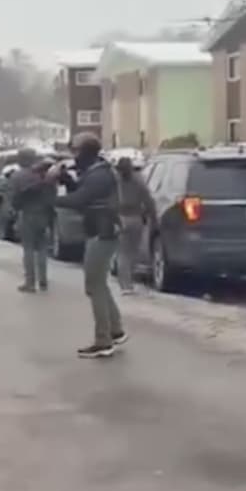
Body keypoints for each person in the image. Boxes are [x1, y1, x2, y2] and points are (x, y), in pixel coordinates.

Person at [52, 133, 126, 358]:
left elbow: (79, 200)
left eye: (75, 151)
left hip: (102, 232)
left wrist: (49, 199)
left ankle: (103, 341)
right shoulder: (97, 171)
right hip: (100, 230)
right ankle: (115, 330)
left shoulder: (100, 175)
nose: (73, 156)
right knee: (99, 283)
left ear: (85, 152)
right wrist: (67, 181)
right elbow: (82, 194)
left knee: (93, 284)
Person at [9, 149, 56, 293]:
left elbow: (14, 197)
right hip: (43, 214)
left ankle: (30, 282)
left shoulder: (17, 176)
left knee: (28, 248)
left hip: (27, 214)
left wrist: (15, 210)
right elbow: (52, 193)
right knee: (42, 248)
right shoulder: (44, 175)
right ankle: (43, 281)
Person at [114, 157, 155, 296]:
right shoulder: (138, 182)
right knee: (133, 252)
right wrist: (152, 216)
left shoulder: (115, 182)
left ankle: (125, 285)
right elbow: (148, 200)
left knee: (123, 252)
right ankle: (129, 283)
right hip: (136, 218)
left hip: (120, 217)